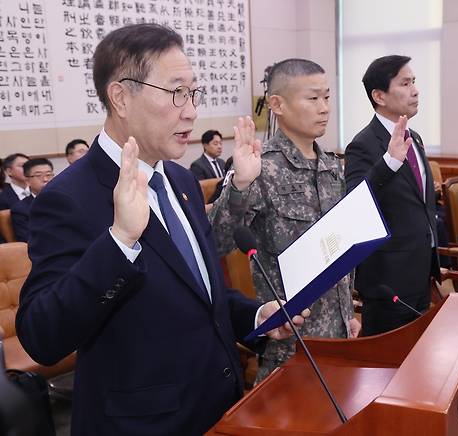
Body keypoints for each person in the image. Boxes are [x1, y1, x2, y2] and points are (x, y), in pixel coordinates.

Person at [15, 24, 305, 436]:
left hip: (218, 408)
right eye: (175, 93)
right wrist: (119, 242)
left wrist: (256, 315)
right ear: (120, 97)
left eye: (192, 93)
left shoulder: (180, 181)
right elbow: (41, 336)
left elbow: (201, 293)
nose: (190, 111)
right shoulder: (68, 197)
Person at [210, 58, 359, 382]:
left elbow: (342, 248)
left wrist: (348, 311)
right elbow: (216, 242)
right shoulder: (260, 167)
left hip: (340, 337)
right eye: (312, 98)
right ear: (277, 104)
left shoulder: (332, 166)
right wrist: (240, 185)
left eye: (327, 97)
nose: (324, 108)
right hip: (291, 344)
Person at [344, 55, 440, 336]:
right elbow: (356, 202)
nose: (415, 90)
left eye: (414, 82)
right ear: (379, 96)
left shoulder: (415, 137)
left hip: (422, 269)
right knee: (389, 368)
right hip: (389, 280)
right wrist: (388, 163)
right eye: (405, 83)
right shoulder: (362, 145)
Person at [10, 158, 54, 242]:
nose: (45, 179)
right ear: (27, 181)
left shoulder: (64, 201)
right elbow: (27, 240)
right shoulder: (20, 209)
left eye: (48, 175)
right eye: (38, 176)